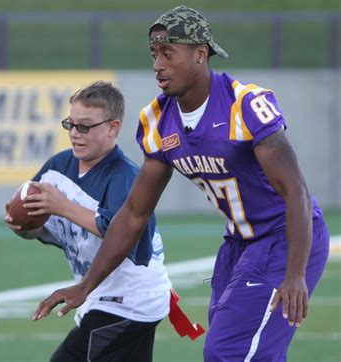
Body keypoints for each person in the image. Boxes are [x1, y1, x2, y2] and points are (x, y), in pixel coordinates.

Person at [31, 6, 330, 361]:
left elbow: (294, 189)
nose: (158, 64)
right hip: (239, 244)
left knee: (228, 353)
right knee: (246, 351)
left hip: (284, 236)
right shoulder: (159, 120)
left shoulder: (244, 105)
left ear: (200, 54)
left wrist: (295, 271)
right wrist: (86, 285)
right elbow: (134, 213)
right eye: (154, 54)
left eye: (168, 53)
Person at [5, 81, 172, 361]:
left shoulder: (125, 177)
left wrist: (64, 206)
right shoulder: (58, 167)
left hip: (128, 300)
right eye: (70, 125)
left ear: (113, 127)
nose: (74, 134)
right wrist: (24, 226)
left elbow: (124, 235)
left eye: (84, 126)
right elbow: (48, 231)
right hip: (104, 298)